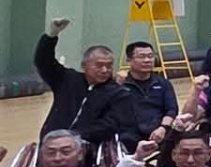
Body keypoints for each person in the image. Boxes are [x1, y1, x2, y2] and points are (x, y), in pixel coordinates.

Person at [35, 18, 136, 155]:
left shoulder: (119, 93)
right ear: (84, 65)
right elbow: (43, 61)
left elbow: (110, 124)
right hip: (52, 143)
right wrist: (51, 35)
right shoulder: (67, 79)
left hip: (88, 148)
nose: (105, 70)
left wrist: (73, 136)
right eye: (99, 65)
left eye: (109, 66)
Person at [120, 42, 176, 142]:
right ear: (129, 61)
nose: (147, 60)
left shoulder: (163, 83)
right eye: (141, 56)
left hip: (159, 131)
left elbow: (172, 110)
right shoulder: (121, 85)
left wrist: (163, 128)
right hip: (129, 134)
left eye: (150, 56)